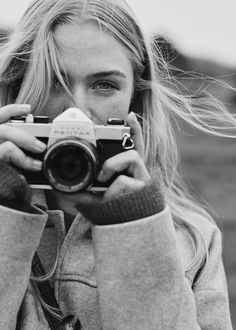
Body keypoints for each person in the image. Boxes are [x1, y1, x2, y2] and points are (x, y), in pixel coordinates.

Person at [0, 0, 234, 329]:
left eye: (105, 85)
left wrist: (136, 229)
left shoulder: (193, 240)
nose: (77, 110)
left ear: (134, 101)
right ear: (17, 90)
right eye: (55, 81)